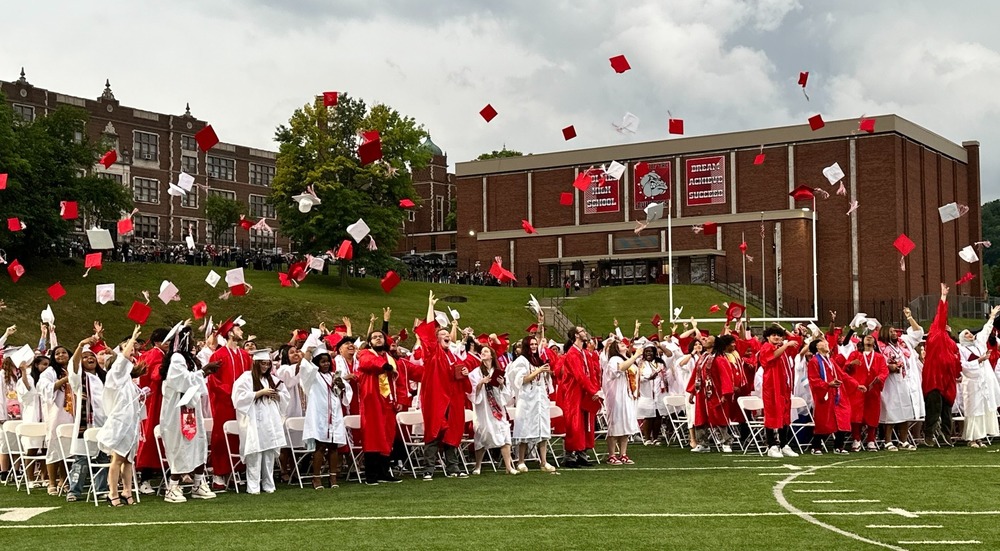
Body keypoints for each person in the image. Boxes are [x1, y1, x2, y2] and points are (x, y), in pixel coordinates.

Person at [414, 290, 471, 480]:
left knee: (452, 433)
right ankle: (428, 469)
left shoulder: (452, 355)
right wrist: (430, 306)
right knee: (434, 432)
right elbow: (428, 331)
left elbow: (460, 376)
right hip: (437, 398)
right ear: (437, 339)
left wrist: (463, 374)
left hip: (452, 399)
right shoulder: (432, 353)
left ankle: (453, 467)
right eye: (443, 334)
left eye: (448, 333)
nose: (447, 335)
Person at [160, 323, 219, 503]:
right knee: (180, 445)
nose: (194, 341)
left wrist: (203, 371)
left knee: (198, 443)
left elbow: (191, 380)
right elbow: (180, 380)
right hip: (178, 411)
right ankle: (173, 487)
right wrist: (204, 371)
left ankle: (198, 483)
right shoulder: (177, 358)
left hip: (191, 409)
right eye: (191, 338)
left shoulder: (188, 360)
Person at [97, 325, 144, 506]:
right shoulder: (114, 377)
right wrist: (132, 339)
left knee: (128, 459)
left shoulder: (127, 382)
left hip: (130, 423)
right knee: (117, 459)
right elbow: (122, 360)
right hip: (119, 423)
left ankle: (127, 491)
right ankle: (113, 492)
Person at [232, 349, 289, 495]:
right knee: (255, 453)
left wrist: (277, 395)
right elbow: (238, 398)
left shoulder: (272, 379)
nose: (265, 367)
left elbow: (285, 395)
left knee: (269, 453)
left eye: (267, 364)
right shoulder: (246, 378)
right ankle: (253, 486)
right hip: (253, 420)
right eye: (262, 364)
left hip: (269, 420)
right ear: (256, 364)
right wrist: (258, 393)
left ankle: (269, 484)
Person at [207, 317, 252, 491]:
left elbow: (249, 377)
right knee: (221, 437)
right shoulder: (217, 355)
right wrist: (230, 391)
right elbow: (212, 379)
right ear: (230, 333)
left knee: (240, 435)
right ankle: (219, 474)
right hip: (224, 402)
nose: (241, 332)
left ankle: (235, 471)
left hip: (242, 403)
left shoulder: (245, 355)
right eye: (238, 329)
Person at [355, 330, 404, 485]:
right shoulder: (365, 354)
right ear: (370, 342)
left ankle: (384, 472)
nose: (377, 339)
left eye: (380, 337)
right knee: (372, 436)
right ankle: (371, 475)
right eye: (374, 337)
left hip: (388, 403)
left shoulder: (391, 358)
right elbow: (368, 363)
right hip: (372, 402)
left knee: (387, 436)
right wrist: (384, 366)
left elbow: (400, 381)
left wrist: (401, 399)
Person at [299, 350, 352, 489]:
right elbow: (304, 369)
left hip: (335, 414)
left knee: (334, 447)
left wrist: (341, 385)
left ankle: (333, 477)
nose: (326, 364)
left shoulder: (334, 375)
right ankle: (316, 479)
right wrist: (308, 352)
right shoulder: (314, 376)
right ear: (317, 363)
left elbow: (344, 392)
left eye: (328, 361)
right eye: (322, 361)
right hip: (319, 415)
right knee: (320, 446)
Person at [507, 335, 556, 472]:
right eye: (532, 344)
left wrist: (546, 372)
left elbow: (543, 379)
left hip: (540, 398)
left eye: (536, 344)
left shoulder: (537, 360)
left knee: (542, 427)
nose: (534, 346)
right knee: (524, 427)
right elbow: (522, 380)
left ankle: (544, 461)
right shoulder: (521, 361)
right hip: (527, 399)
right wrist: (539, 370)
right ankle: (521, 461)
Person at [878, 308, 924, 451]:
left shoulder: (903, 342)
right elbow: (879, 364)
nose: (894, 333)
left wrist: (909, 318)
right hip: (890, 383)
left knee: (905, 412)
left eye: (894, 331)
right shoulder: (879, 346)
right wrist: (890, 367)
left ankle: (903, 441)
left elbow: (918, 333)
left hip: (905, 382)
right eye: (891, 331)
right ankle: (888, 441)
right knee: (891, 412)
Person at [467, 345, 517, 475]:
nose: (483, 353)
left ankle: (508, 467)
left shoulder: (498, 371)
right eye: (482, 352)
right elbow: (471, 392)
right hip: (483, 409)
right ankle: (478, 466)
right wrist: (481, 382)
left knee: (504, 433)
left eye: (486, 351)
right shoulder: (475, 373)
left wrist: (501, 384)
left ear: (491, 355)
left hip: (497, 409)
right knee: (482, 435)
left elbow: (506, 394)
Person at [923, 283, 961, 447]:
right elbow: (941, 314)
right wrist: (943, 297)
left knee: (947, 408)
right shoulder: (935, 335)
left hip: (948, 379)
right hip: (934, 377)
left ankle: (946, 434)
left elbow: (956, 360)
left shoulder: (951, 343)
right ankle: (929, 434)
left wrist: (957, 372)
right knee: (934, 406)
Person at [958, 306, 1000, 447]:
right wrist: (979, 360)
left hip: (984, 381)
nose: (970, 335)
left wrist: (992, 316)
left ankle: (980, 437)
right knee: (974, 410)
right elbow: (963, 366)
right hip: (972, 383)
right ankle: (972, 438)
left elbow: (986, 329)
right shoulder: (962, 349)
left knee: (983, 408)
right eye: (967, 334)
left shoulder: (979, 344)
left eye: (970, 333)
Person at [134, 326, 169, 495]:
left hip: (156, 399)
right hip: (155, 401)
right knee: (151, 438)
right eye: (166, 340)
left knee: (157, 438)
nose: (169, 343)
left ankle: (159, 477)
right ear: (158, 342)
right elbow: (156, 375)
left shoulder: (155, 354)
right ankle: (144, 479)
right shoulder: (155, 355)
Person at [560, 326, 602, 467]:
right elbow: (579, 375)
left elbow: (592, 373)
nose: (585, 332)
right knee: (575, 423)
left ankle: (582, 453)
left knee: (586, 422)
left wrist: (596, 390)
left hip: (585, 392)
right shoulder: (572, 354)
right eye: (582, 331)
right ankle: (570, 455)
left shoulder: (585, 353)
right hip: (574, 392)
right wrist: (593, 391)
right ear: (576, 335)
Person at [687, 335, 733, 453]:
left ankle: (726, 442)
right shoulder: (703, 357)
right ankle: (703, 443)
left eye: (708, 340)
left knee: (719, 416)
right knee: (700, 417)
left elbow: (725, 376)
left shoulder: (720, 358)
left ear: (714, 344)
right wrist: (692, 391)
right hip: (701, 393)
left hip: (715, 393)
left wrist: (725, 393)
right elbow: (695, 375)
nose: (705, 340)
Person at [760, 326, 800, 459]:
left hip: (784, 387)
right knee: (771, 414)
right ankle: (771, 445)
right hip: (772, 386)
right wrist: (786, 344)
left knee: (784, 415)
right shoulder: (766, 347)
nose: (777, 337)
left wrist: (786, 333)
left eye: (779, 335)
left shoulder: (783, 349)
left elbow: (797, 341)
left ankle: (784, 444)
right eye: (773, 335)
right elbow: (772, 356)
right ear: (767, 337)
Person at [806, 338, 852, 455]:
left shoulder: (830, 361)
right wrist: (827, 384)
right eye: (823, 342)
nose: (826, 343)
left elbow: (842, 374)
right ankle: (816, 446)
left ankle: (839, 446)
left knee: (843, 416)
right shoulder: (814, 361)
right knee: (824, 420)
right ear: (817, 346)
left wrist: (856, 385)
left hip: (836, 393)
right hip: (824, 394)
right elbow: (813, 379)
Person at [846, 333, 888, 451]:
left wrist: (879, 378)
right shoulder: (855, 354)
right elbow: (845, 370)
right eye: (866, 337)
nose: (869, 338)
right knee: (856, 415)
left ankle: (871, 440)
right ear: (862, 340)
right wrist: (850, 364)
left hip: (872, 389)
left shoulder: (879, 357)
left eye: (871, 337)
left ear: (874, 342)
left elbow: (884, 371)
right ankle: (856, 439)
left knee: (872, 415)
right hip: (858, 389)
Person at [603, 339, 643, 464]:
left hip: (628, 395)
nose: (623, 344)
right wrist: (635, 355)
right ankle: (612, 454)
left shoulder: (627, 358)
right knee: (616, 424)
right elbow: (620, 368)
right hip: (617, 396)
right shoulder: (614, 359)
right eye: (620, 344)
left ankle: (623, 453)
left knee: (626, 425)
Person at [40, 345, 73, 495]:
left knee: (68, 449)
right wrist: (66, 379)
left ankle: (63, 480)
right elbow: (46, 390)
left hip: (72, 414)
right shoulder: (50, 372)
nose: (61, 355)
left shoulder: (75, 369)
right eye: (57, 353)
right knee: (54, 447)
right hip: (56, 413)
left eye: (64, 352)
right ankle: (52, 482)